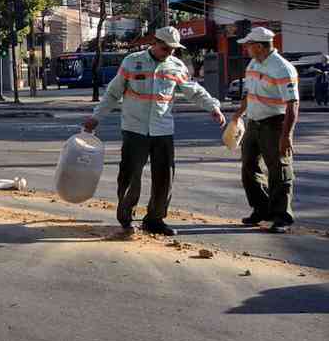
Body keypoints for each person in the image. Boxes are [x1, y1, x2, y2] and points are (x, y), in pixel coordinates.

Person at [83, 26, 225, 237]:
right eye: (165, 48)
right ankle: (126, 219)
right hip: (134, 129)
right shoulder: (132, 62)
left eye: (172, 49)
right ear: (154, 43)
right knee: (130, 176)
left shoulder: (176, 66)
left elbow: (194, 91)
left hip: (163, 130)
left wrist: (213, 107)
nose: (169, 52)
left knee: (164, 176)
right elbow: (113, 93)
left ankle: (155, 219)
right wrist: (96, 117)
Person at [230, 27, 299, 234]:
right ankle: (261, 209)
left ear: (259, 46)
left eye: (249, 45)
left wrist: (286, 136)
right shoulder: (253, 63)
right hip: (254, 122)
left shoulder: (282, 69)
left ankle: (282, 216)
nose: (246, 49)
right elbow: (249, 94)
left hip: (275, 124)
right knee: (249, 167)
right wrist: (237, 115)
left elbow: (292, 105)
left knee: (279, 170)